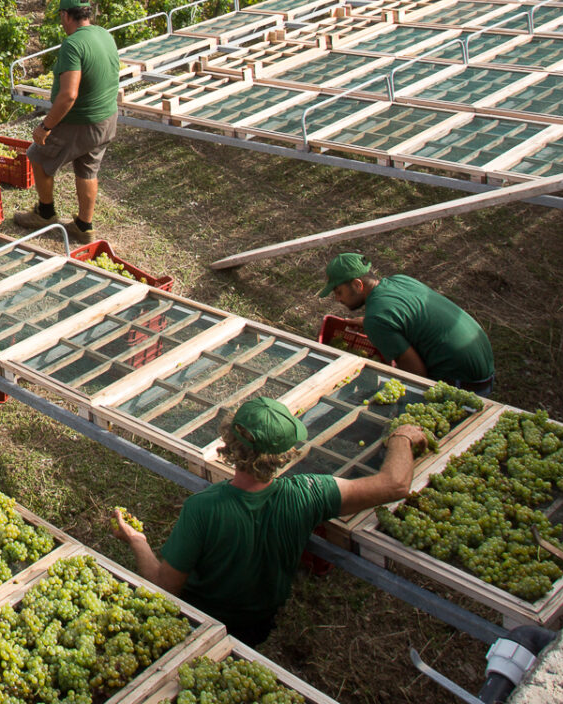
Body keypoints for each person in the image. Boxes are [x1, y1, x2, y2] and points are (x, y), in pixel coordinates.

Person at [111, 396, 429, 646]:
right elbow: (395, 485)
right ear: (284, 453)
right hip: (258, 626)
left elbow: (166, 586)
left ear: (228, 440)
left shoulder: (203, 508)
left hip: (197, 621)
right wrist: (401, 437)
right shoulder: (308, 495)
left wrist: (138, 541)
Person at [14, 0, 119, 244]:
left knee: (37, 156)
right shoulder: (104, 34)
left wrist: (45, 126)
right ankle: (84, 226)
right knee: (87, 168)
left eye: (60, 16)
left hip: (81, 122)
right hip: (107, 118)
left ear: (65, 15)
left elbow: (68, 95)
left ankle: (45, 213)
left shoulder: (73, 44)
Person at [320, 253, 496, 394]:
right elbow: (405, 315)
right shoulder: (401, 281)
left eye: (339, 291)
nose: (337, 299)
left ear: (358, 285)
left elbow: (416, 374)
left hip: (466, 384)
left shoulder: (377, 319)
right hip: (485, 365)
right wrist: (369, 323)